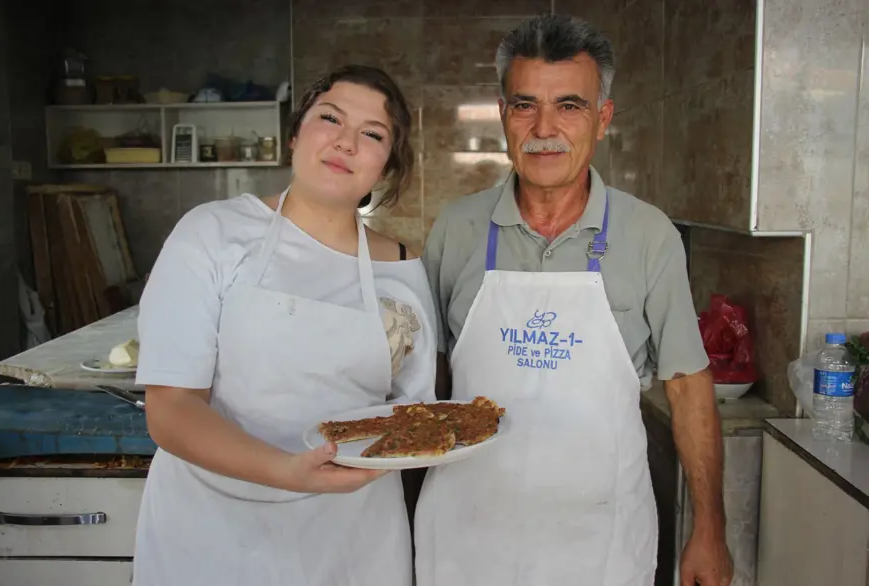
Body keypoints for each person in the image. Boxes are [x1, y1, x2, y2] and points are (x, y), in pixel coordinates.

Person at [415, 14, 733, 586]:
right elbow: (430, 379)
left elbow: (688, 387)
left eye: (570, 105)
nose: (545, 128)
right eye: (524, 105)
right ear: (503, 116)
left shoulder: (648, 234)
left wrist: (710, 528)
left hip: (600, 541)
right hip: (467, 535)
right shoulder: (456, 229)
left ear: (602, 118)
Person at [131, 64, 436, 586]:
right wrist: (287, 470)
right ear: (296, 133)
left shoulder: (403, 268)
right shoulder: (213, 233)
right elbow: (171, 409)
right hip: (213, 535)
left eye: (372, 134)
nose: (346, 142)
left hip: (353, 541)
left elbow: (411, 418)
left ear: (385, 168)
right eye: (330, 118)